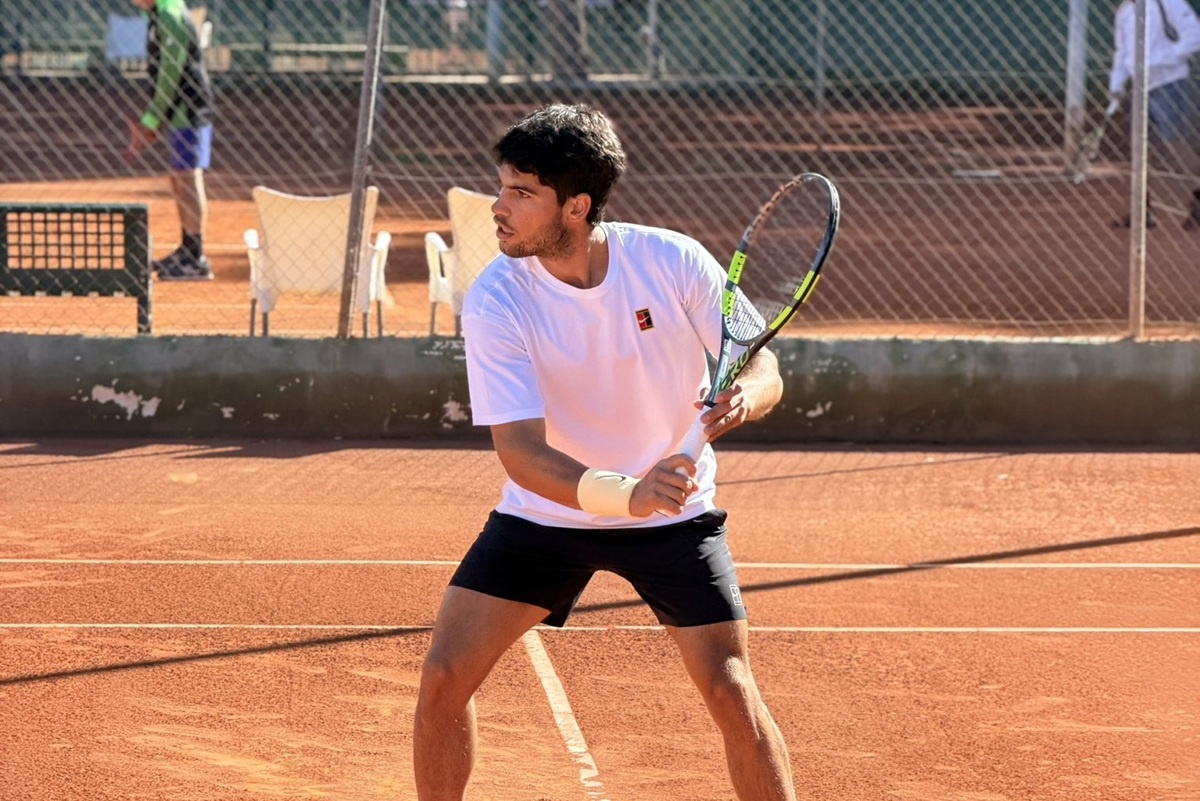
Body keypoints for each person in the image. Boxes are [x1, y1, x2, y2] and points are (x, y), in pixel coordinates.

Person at [412, 103, 797, 801]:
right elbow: (524, 455)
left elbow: (762, 364)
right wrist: (630, 491)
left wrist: (747, 396)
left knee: (731, 688)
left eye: (522, 194)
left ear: (577, 206)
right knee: (444, 675)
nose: (499, 208)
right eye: (501, 188)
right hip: (545, 516)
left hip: (673, 521)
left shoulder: (671, 261)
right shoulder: (496, 298)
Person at [125, 0, 215, 279]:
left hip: (189, 109)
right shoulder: (159, 13)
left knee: (188, 177)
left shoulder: (170, 15)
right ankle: (187, 249)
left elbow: (170, 73)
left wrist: (153, 118)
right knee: (179, 178)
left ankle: (195, 258)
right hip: (177, 110)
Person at [1108, 0, 1200, 229]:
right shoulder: (1125, 10)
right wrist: (1116, 84)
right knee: (1137, 149)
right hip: (1137, 89)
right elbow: (1122, 51)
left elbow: (1194, 37)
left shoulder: (1169, 2)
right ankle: (1141, 210)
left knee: (1177, 146)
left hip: (1170, 84)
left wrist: (1158, 60)